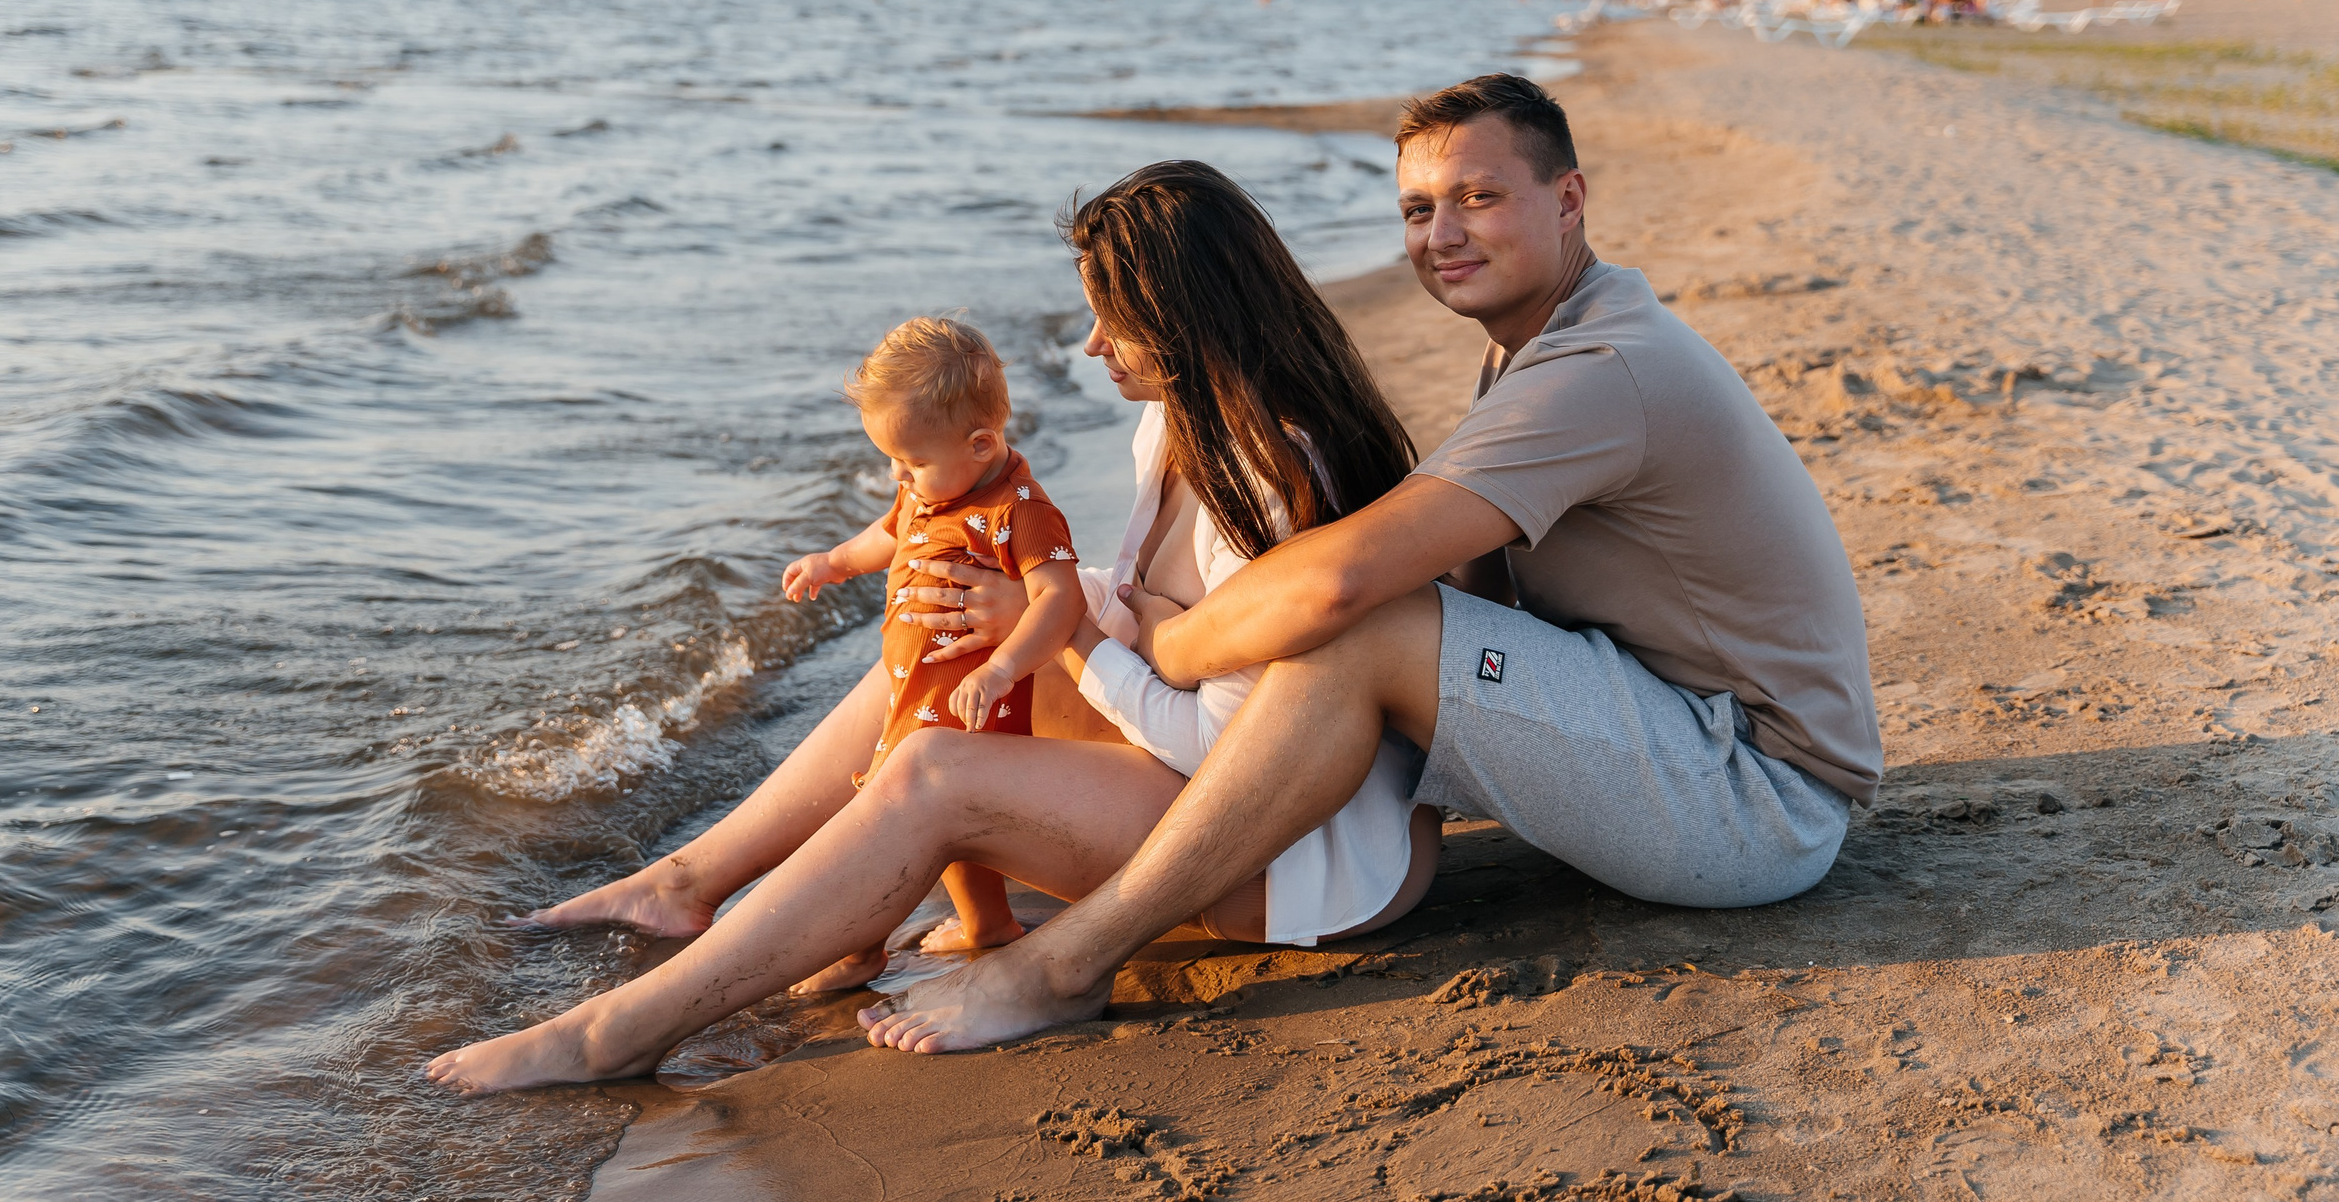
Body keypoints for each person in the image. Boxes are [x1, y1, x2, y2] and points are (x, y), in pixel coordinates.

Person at [857, 72, 1881, 1055]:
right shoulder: (1544, 340)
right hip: (1686, 736)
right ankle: (746, 873)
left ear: (1568, 200)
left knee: (1361, 619)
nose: (1441, 236)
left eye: (1478, 197)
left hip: (1755, 797)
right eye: (1417, 208)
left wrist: (1151, 644)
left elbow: (1340, 582)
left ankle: (1063, 964)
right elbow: (1478, 591)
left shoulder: (1598, 369)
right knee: (1067, 609)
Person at [425, 162, 1433, 1093]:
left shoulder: (1267, 479)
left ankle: (616, 1031)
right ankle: (689, 882)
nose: (1090, 347)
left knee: (930, 771)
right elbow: (1154, 635)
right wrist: (1047, 617)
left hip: (1299, 864)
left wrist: (1073, 628)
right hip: (1205, 782)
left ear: (1189, 318)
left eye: (1112, 322)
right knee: (956, 640)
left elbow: (1246, 756)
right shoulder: (1172, 422)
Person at [780, 316, 1086, 968]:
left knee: (885, 820)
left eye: (911, 461)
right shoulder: (928, 487)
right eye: (891, 458)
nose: (898, 474)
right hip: (916, 688)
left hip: (966, 699)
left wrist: (1002, 669)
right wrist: (834, 561)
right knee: (951, 834)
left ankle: (857, 944)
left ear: (980, 444)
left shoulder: (1021, 509)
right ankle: (988, 924)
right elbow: (888, 532)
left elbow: (1062, 598)